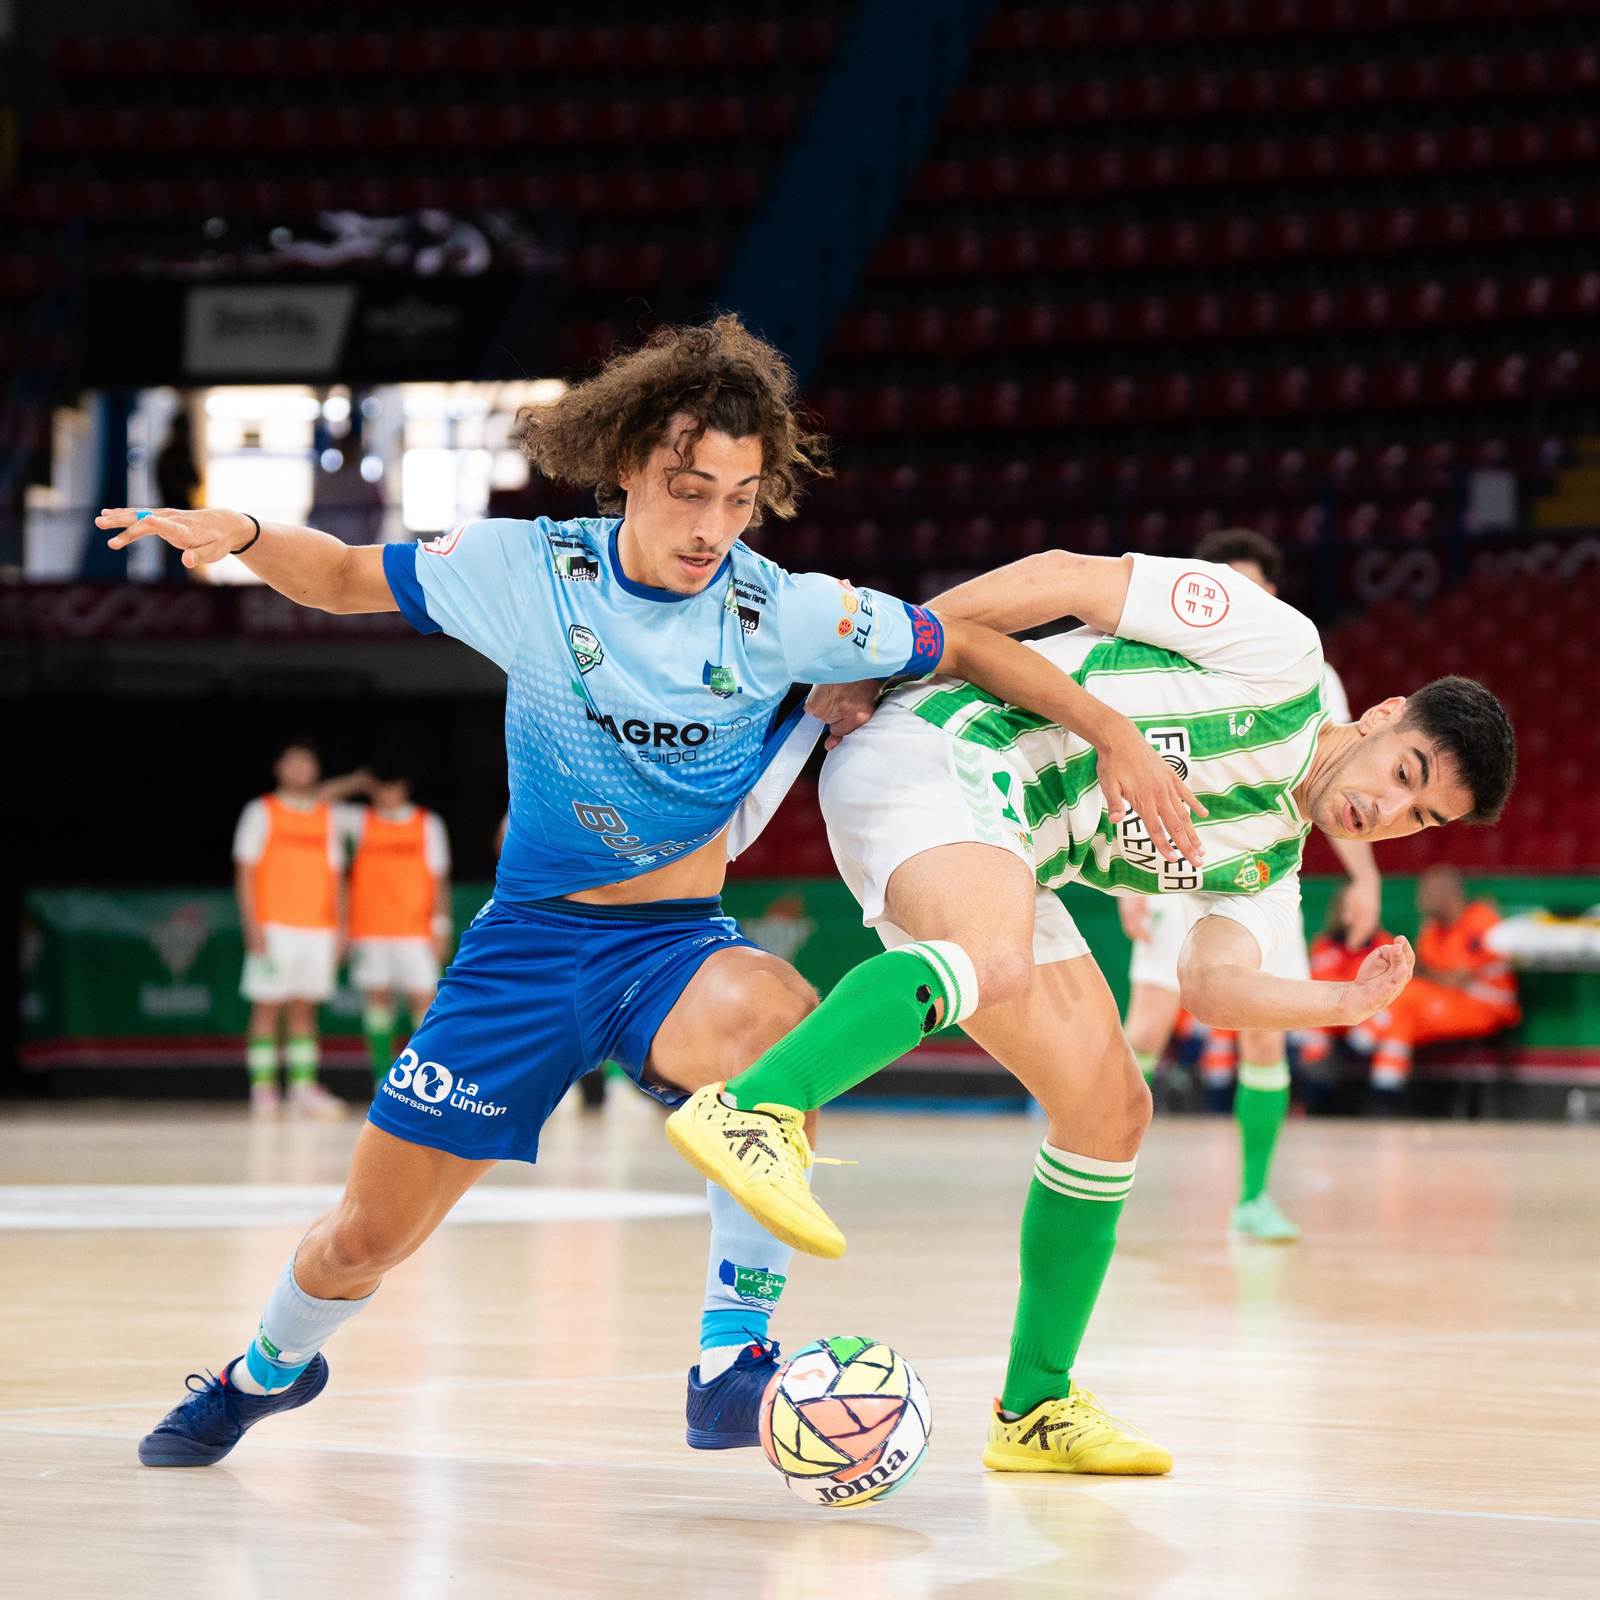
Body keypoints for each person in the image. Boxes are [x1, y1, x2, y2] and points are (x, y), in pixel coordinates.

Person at [100, 314, 1193, 1469]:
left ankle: (732, 1360)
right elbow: (337, 577)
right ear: (628, 468)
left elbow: (965, 645)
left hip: (673, 948)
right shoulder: (524, 571)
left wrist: (1108, 730)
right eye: (689, 491)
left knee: (778, 1015)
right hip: (525, 951)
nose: (714, 525)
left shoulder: (782, 609)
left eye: (739, 496)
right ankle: (265, 1369)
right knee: (365, 1237)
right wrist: (247, 530)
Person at [664, 547, 1515, 1476]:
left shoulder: (1269, 868)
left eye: (1420, 817)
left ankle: (1034, 1405)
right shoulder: (1281, 651)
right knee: (995, 959)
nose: (1387, 809)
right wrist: (899, 649)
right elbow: (1069, 578)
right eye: (1406, 772)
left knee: (1111, 1112)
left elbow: (1210, 985)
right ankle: (757, 1106)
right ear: (1385, 717)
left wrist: (1341, 1003)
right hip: (943, 742)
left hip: (1013, 847)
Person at [1116, 527, 1385, 1241]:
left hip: (1257, 876)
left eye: (1255, 587)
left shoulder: (1313, 674)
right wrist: (1127, 882)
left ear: (1272, 594)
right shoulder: (1169, 659)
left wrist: (1365, 875)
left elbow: (1341, 793)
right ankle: (1097, 1157)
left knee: (1262, 1038)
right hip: (1168, 861)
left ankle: (1253, 1198)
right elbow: (1118, 759)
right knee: (1145, 1025)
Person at [232, 744, 369, 1119]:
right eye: (292, 761)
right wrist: (253, 927)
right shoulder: (260, 811)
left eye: (307, 762)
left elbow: (339, 877)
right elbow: (244, 874)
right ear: (278, 767)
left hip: (318, 929)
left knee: (304, 1009)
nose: (299, 768)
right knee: (266, 1006)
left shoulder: (327, 817)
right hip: (274, 926)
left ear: (316, 768)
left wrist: (343, 929)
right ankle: (263, 1090)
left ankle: (302, 1088)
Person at [1350, 864, 1519, 1107]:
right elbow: (1424, 973)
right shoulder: (1431, 929)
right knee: (1402, 1019)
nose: (1420, 898)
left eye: (1427, 892)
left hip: (1486, 1007)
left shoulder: (1481, 920)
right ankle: (1385, 1094)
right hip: (1448, 1001)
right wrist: (1428, 973)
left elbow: (1455, 979)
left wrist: (1427, 973)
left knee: (1407, 996)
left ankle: (1359, 1040)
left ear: (1449, 895)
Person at [344, 770, 453, 1086]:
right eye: (381, 787)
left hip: (415, 931)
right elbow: (312, 802)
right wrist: (357, 781)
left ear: (405, 786)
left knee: (424, 1002)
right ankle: (382, 1077)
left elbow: (439, 878)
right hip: (370, 930)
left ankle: (420, 1079)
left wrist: (440, 926)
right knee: (378, 1002)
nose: (387, 794)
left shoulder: (427, 822)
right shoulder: (357, 820)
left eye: (393, 786)